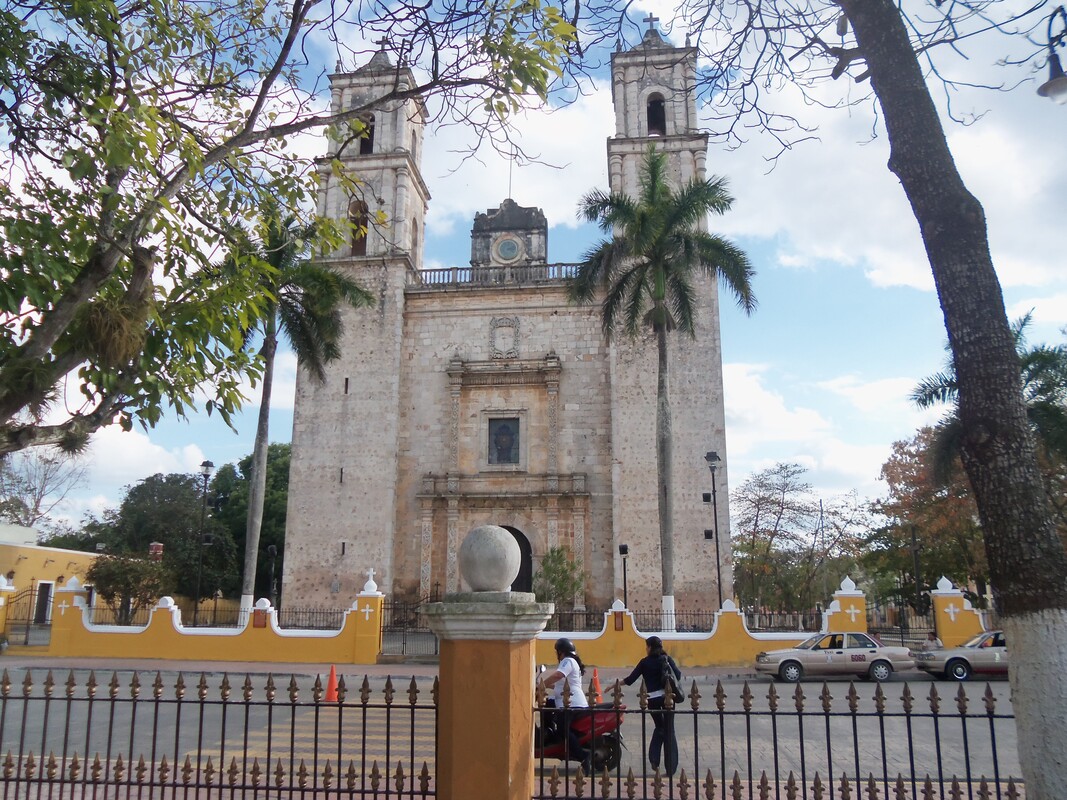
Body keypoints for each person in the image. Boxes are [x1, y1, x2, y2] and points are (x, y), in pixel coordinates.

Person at [623, 635, 681, 776]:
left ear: (649, 647)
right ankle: (670, 767)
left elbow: (630, 679)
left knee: (660, 727)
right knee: (669, 730)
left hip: (653, 700)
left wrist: (614, 685)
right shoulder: (666, 659)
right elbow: (678, 675)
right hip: (667, 699)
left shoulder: (645, 662)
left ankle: (654, 759)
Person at [542, 637, 591, 772]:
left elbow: (558, 675)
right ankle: (548, 734)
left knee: (562, 730)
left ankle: (583, 756)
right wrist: (544, 686)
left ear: (561, 652)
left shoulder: (568, 661)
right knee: (547, 704)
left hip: (571, 704)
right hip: (566, 701)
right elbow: (560, 683)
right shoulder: (572, 661)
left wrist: (541, 685)